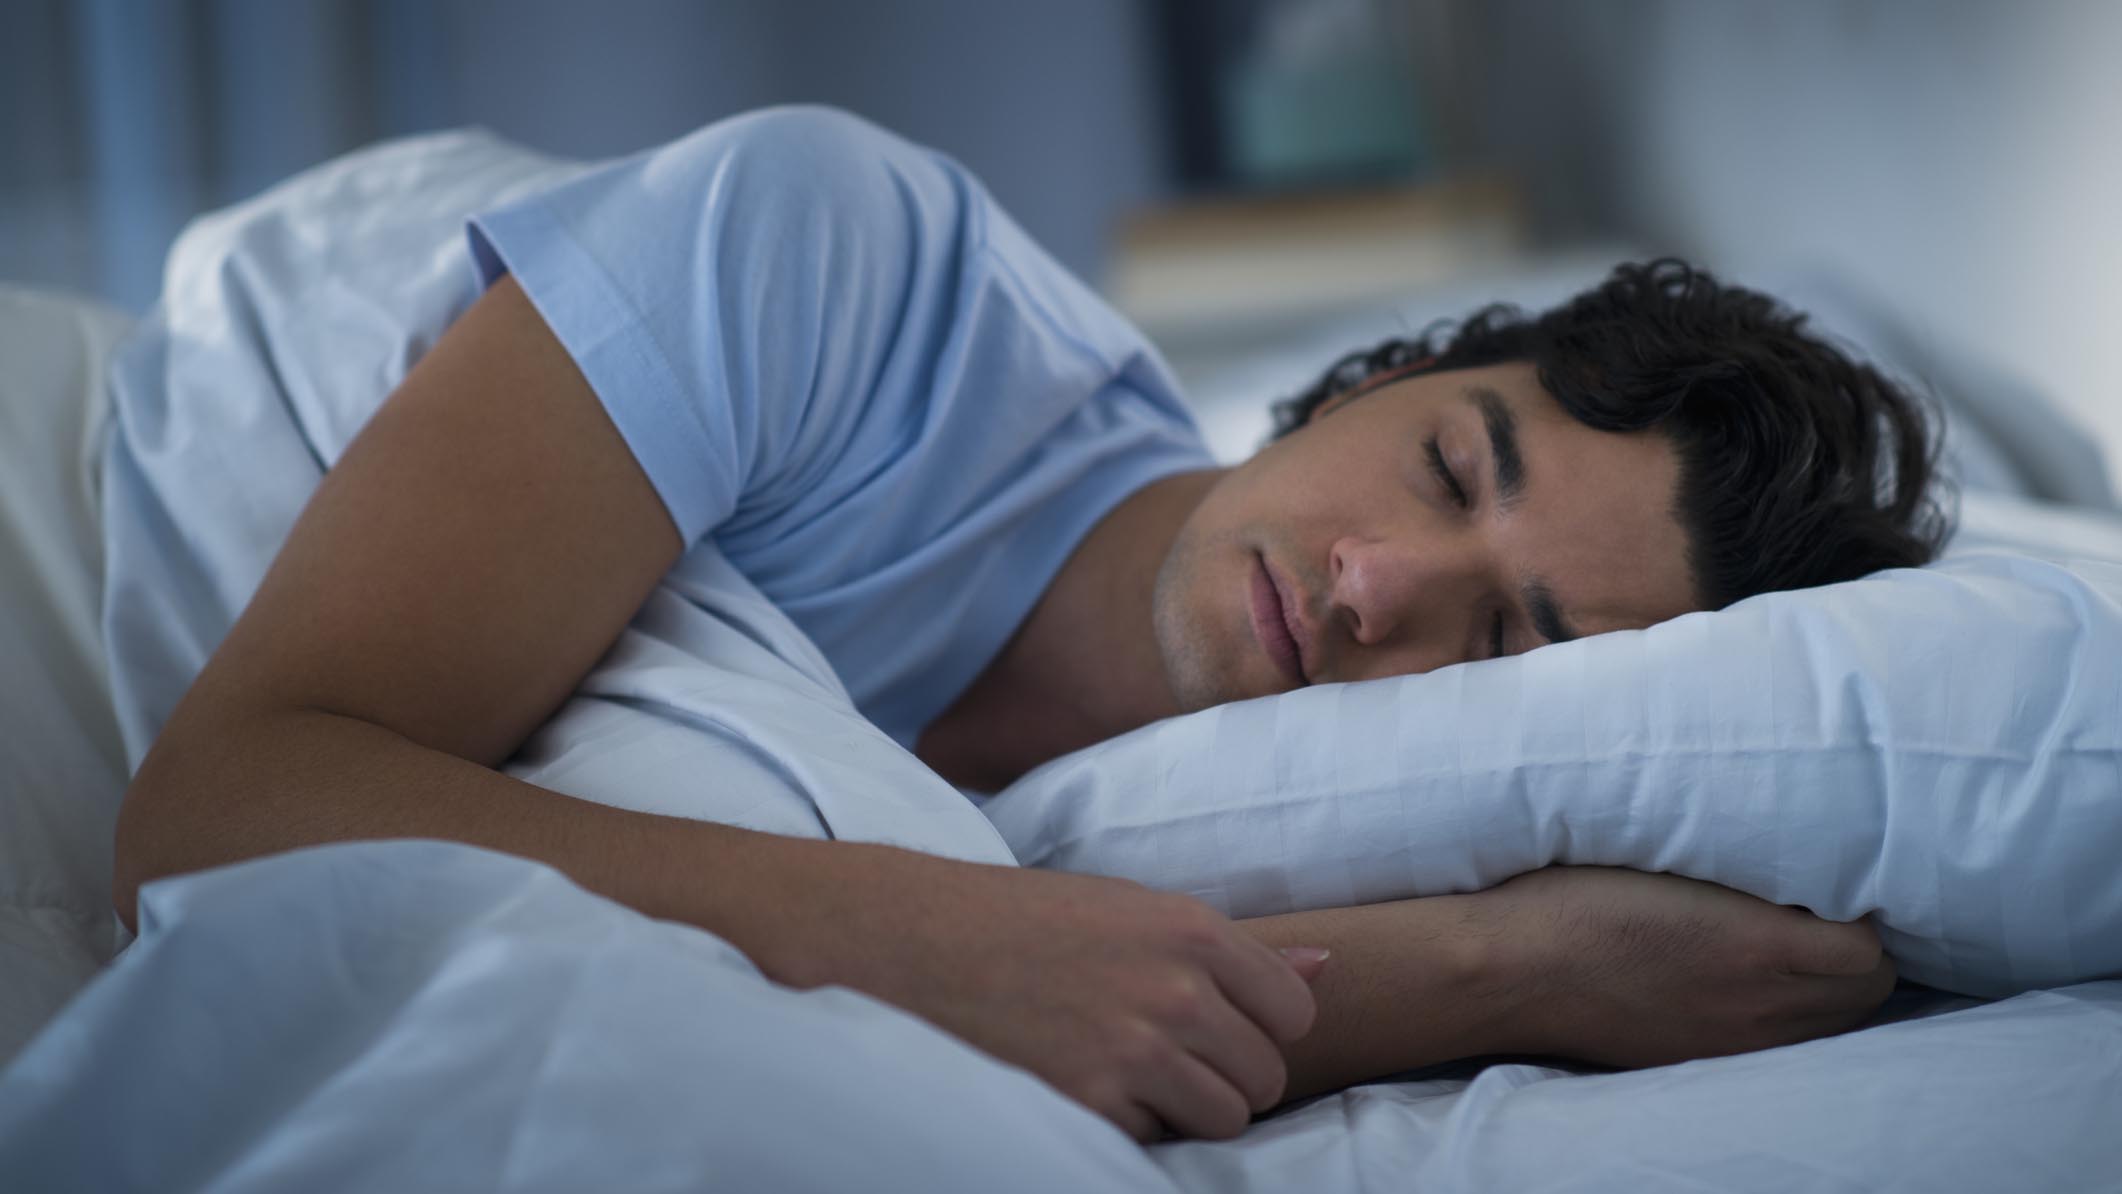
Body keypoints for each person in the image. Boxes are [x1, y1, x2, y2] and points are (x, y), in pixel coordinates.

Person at [108, 107, 1940, 1143]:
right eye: (1452, 470)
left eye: (1509, 645)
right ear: (1385, 373)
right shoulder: (837, 264)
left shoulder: (1350, 834)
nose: (1381, 586)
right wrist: (920, 936)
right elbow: (216, 810)